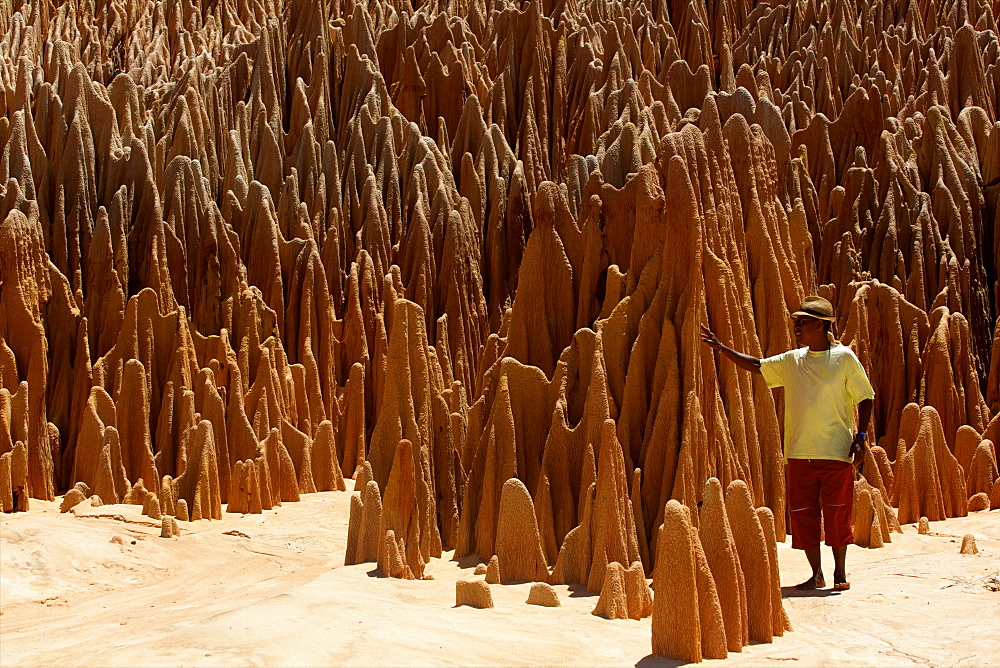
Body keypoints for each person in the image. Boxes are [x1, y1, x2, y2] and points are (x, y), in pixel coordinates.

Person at [700, 295, 874, 591]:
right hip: (799, 452)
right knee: (804, 516)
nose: (796, 328)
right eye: (796, 322)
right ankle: (816, 573)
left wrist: (861, 437)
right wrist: (721, 348)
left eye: (802, 322)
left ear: (819, 325)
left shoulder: (844, 358)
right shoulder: (793, 361)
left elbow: (865, 395)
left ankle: (839, 573)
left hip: (835, 451)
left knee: (836, 513)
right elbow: (757, 366)